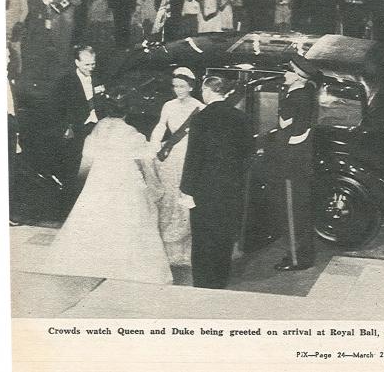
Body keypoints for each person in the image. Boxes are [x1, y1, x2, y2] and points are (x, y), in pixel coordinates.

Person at [47, 93, 173, 285]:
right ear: (127, 111)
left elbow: (86, 159)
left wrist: (80, 184)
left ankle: (93, 263)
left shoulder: (99, 128)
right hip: (125, 181)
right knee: (128, 221)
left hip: (99, 179)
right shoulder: (132, 134)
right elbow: (147, 159)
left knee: (94, 219)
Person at [180, 74, 253, 288]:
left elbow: (193, 156)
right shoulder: (241, 117)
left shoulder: (201, 118)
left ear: (209, 91)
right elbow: (248, 152)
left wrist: (186, 188)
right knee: (224, 233)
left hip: (204, 187)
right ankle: (221, 278)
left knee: (203, 235)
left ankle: (203, 280)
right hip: (231, 185)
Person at [148, 68, 204, 266]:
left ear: (191, 86)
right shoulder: (168, 105)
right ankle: (167, 248)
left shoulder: (199, 107)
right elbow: (161, 126)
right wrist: (154, 144)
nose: (178, 90)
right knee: (168, 199)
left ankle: (184, 249)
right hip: (170, 158)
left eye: (182, 86)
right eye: (175, 86)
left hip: (188, 158)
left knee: (184, 201)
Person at [273, 55, 320, 271]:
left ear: (298, 77)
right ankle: (301, 254)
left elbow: (288, 126)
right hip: (301, 162)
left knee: (292, 211)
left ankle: (296, 258)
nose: (284, 74)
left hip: (291, 163)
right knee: (300, 209)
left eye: (288, 71)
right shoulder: (307, 92)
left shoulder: (295, 97)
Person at [53, 45, 105, 194]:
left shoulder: (98, 78)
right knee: (75, 165)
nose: (91, 68)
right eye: (87, 64)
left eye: (93, 64)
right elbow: (58, 109)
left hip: (97, 127)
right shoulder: (65, 81)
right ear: (77, 62)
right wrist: (65, 128)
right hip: (76, 129)